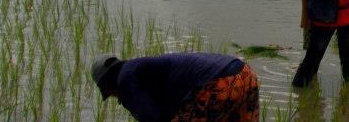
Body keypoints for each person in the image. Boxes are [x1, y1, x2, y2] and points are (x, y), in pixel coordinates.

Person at [90, 52, 259, 122]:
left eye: (110, 93)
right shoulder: (140, 70)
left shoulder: (125, 81)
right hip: (245, 74)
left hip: (218, 83)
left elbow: (152, 119)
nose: (117, 98)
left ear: (108, 83)